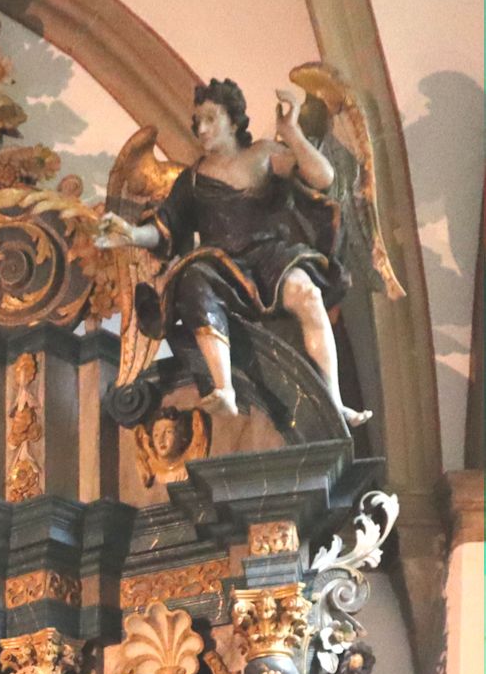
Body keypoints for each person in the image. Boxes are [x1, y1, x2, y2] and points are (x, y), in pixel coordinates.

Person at [95, 77, 368, 425]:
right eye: (198, 122)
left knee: (308, 294)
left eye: (211, 118)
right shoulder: (193, 180)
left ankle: (334, 402)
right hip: (221, 264)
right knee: (193, 279)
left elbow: (322, 177)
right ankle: (224, 387)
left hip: (272, 257)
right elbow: (166, 228)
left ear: (234, 121)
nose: (202, 128)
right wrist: (131, 233)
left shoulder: (263, 155)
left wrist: (292, 132)